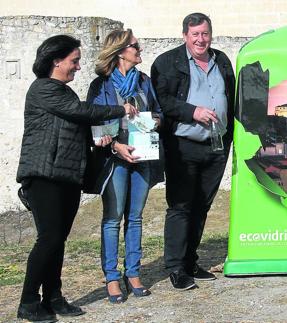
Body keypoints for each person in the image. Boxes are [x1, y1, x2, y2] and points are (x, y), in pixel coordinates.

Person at [16, 35, 137, 322]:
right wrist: (121, 109)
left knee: (58, 240)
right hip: (44, 175)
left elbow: (77, 126)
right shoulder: (43, 89)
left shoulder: (64, 92)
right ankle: (29, 301)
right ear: (56, 61)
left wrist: (99, 140)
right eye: (74, 61)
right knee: (49, 239)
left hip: (67, 176)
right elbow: (81, 112)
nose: (78, 67)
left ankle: (53, 297)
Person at [151, 12, 235, 290]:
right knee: (181, 207)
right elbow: (161, 101)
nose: (201, 39)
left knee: (202, 207)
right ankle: (175, 267)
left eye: (205, 34)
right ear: (185, 35)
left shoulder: (220, 60)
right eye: (195, 34)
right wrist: (192, 112)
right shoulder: (167, 62)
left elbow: (231, 99)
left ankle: (190, 261)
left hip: (216, 145)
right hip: (183, 145)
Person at [87, 29, 163, 303]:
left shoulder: (143, 81)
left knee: (136, 216)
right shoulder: (102, 84)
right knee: (112, 218)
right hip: (114, 158)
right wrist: (116, 146)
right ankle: (112, 277)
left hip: (142, 156)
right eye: (135, 46)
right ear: (120, 51)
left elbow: (159, 112)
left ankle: (133, 273)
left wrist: (155, 122)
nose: (139, 49)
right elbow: (94, 120)